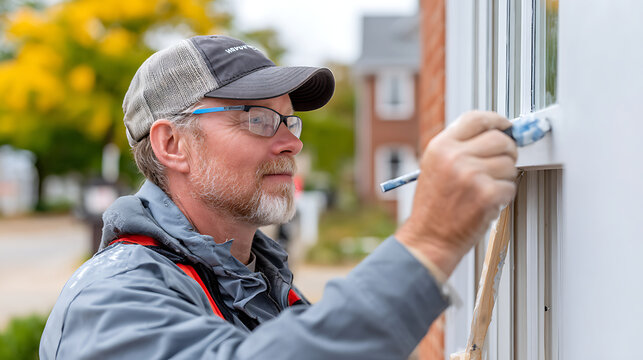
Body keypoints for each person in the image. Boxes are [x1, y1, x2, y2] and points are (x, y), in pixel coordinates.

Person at [40, 35, 517, 359]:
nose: (291, 142)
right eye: (258, 119)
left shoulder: (261, 285)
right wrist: (428, 242)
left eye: (290, 120)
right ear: (172, 145)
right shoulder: (110, 301)